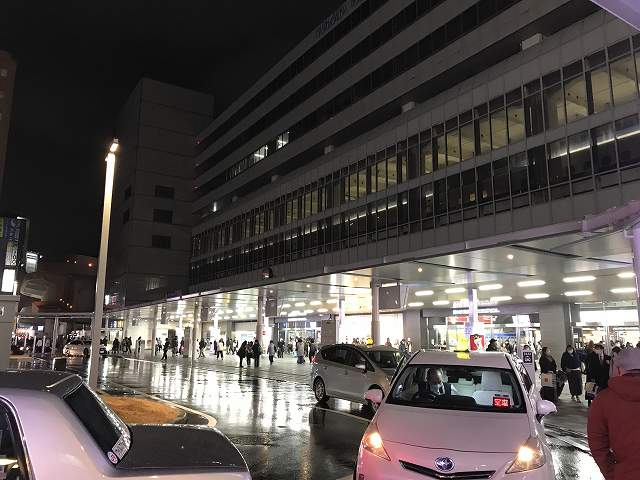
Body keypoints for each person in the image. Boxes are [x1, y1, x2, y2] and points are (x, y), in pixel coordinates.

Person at [587, 347, 640, 479]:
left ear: (618, 369)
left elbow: (597, 443)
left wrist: (612, 473)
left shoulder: (603, 400)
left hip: (624, 474)